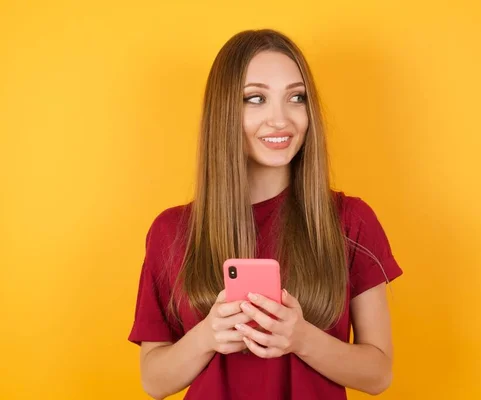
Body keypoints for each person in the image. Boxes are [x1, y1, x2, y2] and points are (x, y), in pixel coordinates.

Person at [128, 29, 403, 400]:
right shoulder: (171, 231)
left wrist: (302, 339)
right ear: (224, 111)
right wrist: (208, 336)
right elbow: (153, 381)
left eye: (296, 98)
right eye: (255, 99)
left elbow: (378, 374)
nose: (280, 119)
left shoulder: (351, 220)